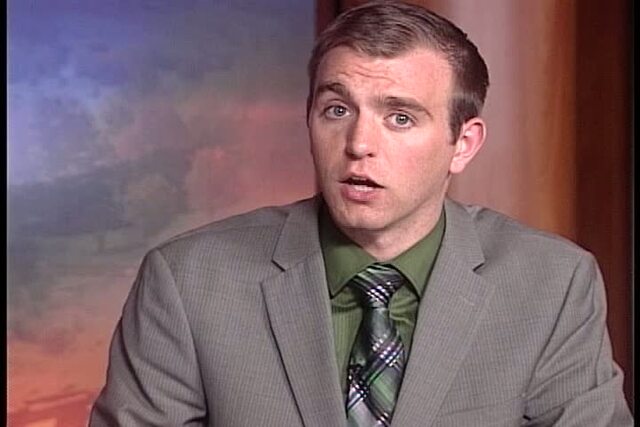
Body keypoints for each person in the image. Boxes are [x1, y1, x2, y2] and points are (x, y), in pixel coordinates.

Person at [90, 1, 633, 426]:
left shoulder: (552, 284)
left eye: (399, 118)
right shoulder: (188, 281)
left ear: (463, 144)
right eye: (337, 109)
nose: (358, 144)